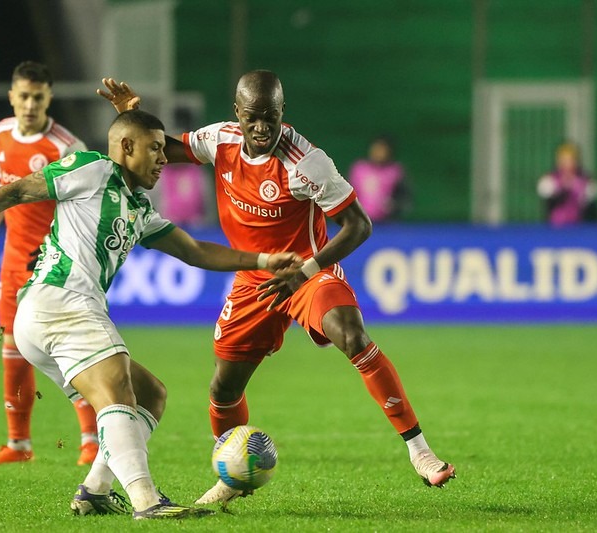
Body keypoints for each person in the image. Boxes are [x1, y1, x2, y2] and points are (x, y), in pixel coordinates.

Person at [0, 109, 301, 519]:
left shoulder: (138, 207)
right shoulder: (92, 168)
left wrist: (263, 259)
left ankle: (95, 490)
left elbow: (194, 250)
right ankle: (147, 501)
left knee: (150, 393)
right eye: (154, 148)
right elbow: (16, 191)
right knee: (116, 389)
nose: (163, 158)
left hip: (54, 316)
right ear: (126, 147)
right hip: (60, 302)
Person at [98, 71, 455, 506]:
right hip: (254, 280)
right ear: (238, 113)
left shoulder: (307, 162)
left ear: (283, 113)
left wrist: (306, 270)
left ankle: (420, 451)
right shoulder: (220, 140)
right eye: (253, 117)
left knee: (351, 333)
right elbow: (161, 151)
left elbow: (359, 225)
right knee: (223, 389)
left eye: (271, 117)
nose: (262, 127)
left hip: (306, 270)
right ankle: (231, 476)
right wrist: (133, 119)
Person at [0, 61, 99, 466]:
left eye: (38, 97)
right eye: (24, 96)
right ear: (12, 97)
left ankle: (91, 438)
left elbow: (85, 205)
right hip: (13, 258)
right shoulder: (1, 133)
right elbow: (0, 190)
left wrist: (67, 246)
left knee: (61, 349)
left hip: (53, 263)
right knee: (12, 348)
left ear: (49, 97)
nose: (30, 104)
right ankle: (18, 445)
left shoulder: (65, 147)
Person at [347, 136, 410, 222]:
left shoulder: (395, 171)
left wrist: (394, 206)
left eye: (382, 150)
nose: (378, 153)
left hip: (386, 223)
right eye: (376, 149)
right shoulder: (359, 169)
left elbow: (405, 199)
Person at [537, 142, 597, 226]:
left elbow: (589, 209)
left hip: (578, 227)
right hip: (555, 227)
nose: (566, 164)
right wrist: (562, 191)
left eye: (569, 160)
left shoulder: (585, 182)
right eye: (563, 160)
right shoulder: (549, 181)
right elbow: (549, 204)